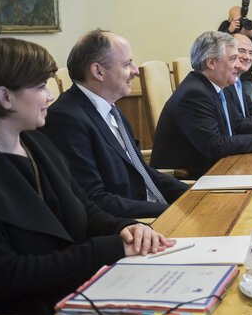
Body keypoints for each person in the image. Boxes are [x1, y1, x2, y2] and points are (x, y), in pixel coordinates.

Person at [0, 37, 173, 315]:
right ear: (5, 97)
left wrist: (126, 229)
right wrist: (110, 248)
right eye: (41, 86)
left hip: (85, 289)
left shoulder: (37, 144)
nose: (50, 96)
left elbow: (86, 210)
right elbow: (6, 275)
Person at [41, 30, 189, 218]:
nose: (135, 71)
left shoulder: (112, 109)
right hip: (133, 225)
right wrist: (174, 211)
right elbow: (95, 200)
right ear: (98, 71)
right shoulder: (66, 120)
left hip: (154, 213)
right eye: (127, 64)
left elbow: (140, 170)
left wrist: (193, 196)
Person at [151, 31, 252, 179]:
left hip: (218, 170)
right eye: (233, 58)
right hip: (187, 181)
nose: (238, 64)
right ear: (211, 62)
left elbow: (235, 124)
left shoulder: (214, 87)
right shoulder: (194, 94)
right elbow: (215, 146)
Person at [218, 3, 252, 105]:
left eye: (242, 19)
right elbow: (216, 47)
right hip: (226, 77)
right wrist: (229, 31)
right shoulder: (226, 26)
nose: (240, 22)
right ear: (229, 20)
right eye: (236, 20)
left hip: (246, 78)